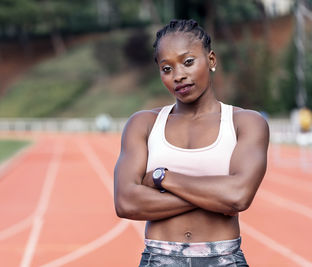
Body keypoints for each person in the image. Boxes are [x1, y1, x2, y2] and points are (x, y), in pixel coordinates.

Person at [114, 19, 269, 267]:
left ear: (211, 60)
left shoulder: (245, 123)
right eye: (167, 69)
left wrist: (161, 178)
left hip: (224, 259)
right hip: (158, 259)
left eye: (188, 62)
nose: (179, 76)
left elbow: (238, 197)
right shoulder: (143, 124)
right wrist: (216, 199)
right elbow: (126, 203)